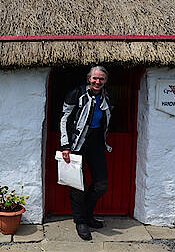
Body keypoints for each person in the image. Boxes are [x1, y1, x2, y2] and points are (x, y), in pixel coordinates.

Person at [59, 65, 113, 241]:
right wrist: (65, 146)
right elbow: (64, 119)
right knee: (77, 186)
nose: (98, 82)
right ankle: (80, 221)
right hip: (77, 145)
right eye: (95, 78)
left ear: (105, 81)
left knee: (101, 184)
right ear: (89, 78)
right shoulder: (77, 94)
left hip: (96, 143)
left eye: (101, 79)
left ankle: (88, 215)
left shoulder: (107, 96)